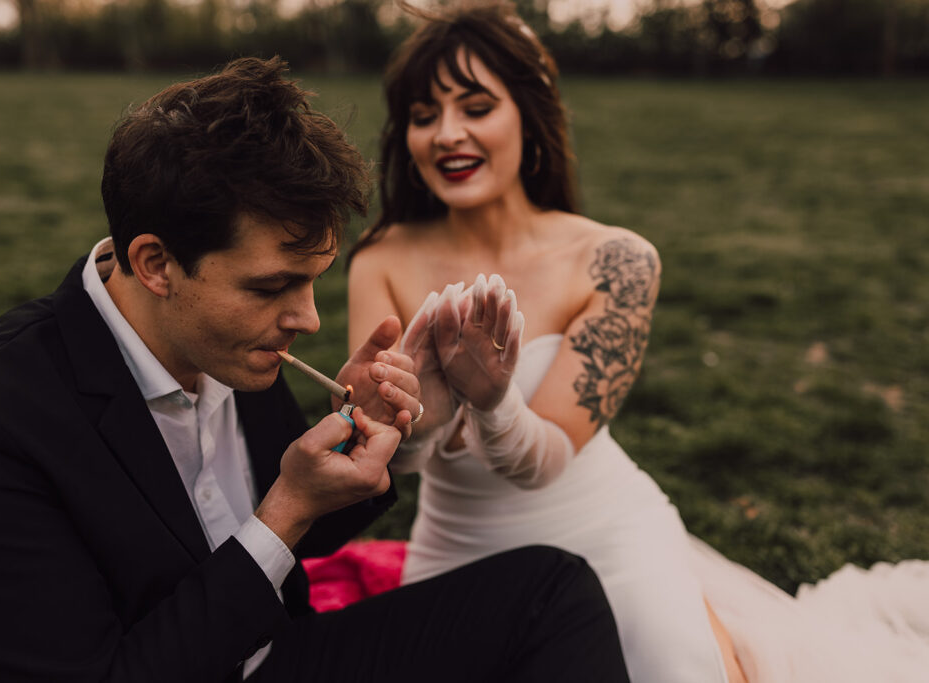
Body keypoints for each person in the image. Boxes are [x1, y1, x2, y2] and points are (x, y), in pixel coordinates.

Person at [0, 57, 632, 682]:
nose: (309, 319)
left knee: (550, 589)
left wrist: (374, 434)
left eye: (312, 278)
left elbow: (286, 530)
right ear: (156, 264)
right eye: (271, 285)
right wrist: (284, 509)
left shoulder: (216, 337)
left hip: (272, 659)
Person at [347, 3, 929, 683]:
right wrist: (421, 419)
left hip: (606, 539)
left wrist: (494, 400)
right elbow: (398, 458)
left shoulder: (617, 261)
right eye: (423, 115)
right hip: (457, 550)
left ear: (529, 115)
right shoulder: (382, 259)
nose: (447, 133)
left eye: (475, 106)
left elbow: (547, 458)